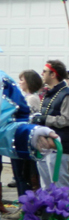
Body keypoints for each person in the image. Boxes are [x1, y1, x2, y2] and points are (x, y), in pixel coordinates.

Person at [33, 59, 69, 189]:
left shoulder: (66, 95)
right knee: (46, 186)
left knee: (60, 185)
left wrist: (45, 119)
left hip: (60, 146)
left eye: (45, 71)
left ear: (53, 74)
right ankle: (48, 209)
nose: (42, 74)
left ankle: (66, 208)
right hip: (45, 146)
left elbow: (68, 120)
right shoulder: (48, 93)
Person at [0, 70, 32, 200]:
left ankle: (26, 207)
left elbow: (24, 116)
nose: (20, 82)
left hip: (16, 139)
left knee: (22, 175)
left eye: (23, 79)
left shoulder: (5, 82)